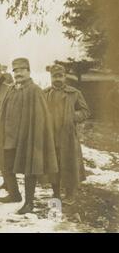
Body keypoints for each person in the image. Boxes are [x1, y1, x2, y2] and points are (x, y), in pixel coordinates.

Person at [0, 58, 58, 214]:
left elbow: (40, 117)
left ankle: (29, 203)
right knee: (7, 165)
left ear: (28, 71)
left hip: (27, 137)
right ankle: (14, 194)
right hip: (9, 137)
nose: (18, 74)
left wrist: (35, 137)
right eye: (15, 71)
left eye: (22, 70)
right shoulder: (11, 89)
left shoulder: (35, 90)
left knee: (29, 169)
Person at [44, 64, 90, 205]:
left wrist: (72, 116)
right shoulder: (44, 93)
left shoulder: (74, 93)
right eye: (54, 76)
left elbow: (85, 111)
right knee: (53, 164)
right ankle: (56, 193)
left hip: (68, 136)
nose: (57, 79)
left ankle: (70, 194)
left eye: (60, 76)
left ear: (64, 77)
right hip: (51, 136)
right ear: (51, 77)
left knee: (69, 163)